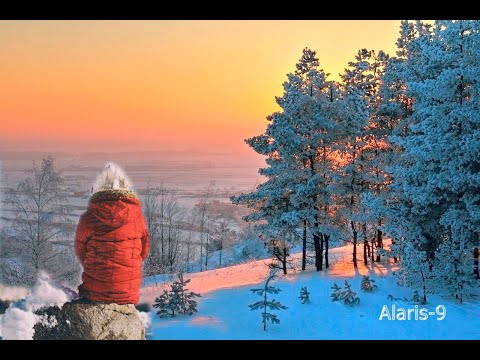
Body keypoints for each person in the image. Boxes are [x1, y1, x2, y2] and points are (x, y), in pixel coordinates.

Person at [75, 163, 150, 305]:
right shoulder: (138, 218)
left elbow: (81, 253)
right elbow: (144, 253)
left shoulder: (88, 218)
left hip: (94, 294)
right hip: (128, 296)